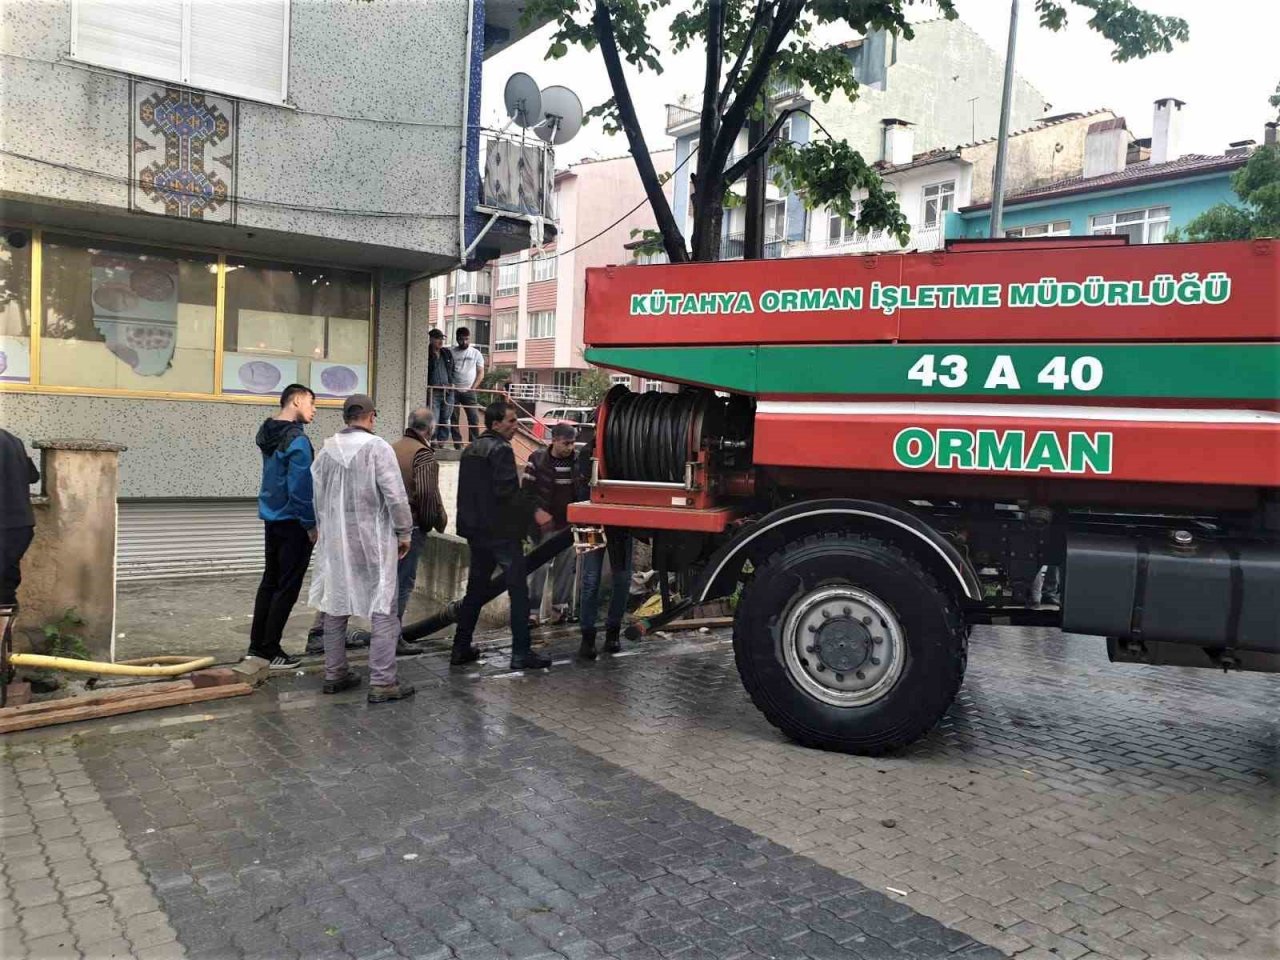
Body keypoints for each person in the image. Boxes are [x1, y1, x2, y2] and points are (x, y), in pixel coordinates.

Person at [309, 394, 417, 703]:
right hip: (374, 539)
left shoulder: (326, 451)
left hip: (336, 540)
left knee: (335, 602)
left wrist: (319, 529)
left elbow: (316, 494)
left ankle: (335, 673)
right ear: (371, 416)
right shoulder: (378, 448)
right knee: (383, 605)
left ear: (345, 417)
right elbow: (395, 495)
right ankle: (383, 680)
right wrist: (404, 531)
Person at [452, 400, 549, 671]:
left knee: (475, 590)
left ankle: (460, 647)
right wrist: (533, 513)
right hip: (501, 533)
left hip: (476, 532)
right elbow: (508, 493)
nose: (515, 428)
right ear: (496, 424)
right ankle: (521, 652)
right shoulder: (501, 450)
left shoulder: (471, 449)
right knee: (518, 591)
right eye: (511, 422)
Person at [247, 383, 317, 669]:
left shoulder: (268, 434)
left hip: (272, 518)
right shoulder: (296, 440)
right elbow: (300, 487)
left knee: (270, 583)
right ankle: (270, 649)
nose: (314, 411)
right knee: (287, 587)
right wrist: (311, 524)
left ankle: (257, 646)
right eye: (312, 404)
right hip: (293, 522)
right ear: (297, 400)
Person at [573, 425, 633, 659]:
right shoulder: (587, 455)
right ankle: (588, 637)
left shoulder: (623, 453)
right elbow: (580, 491)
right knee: (591, 579)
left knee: (621, 578)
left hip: (619, 523)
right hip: (593, 523)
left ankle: (611, 634)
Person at [391, 407, 448, 623]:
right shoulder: (423, 454)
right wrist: (427, 523)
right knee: (403, 583)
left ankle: (384, 634)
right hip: (411, 527)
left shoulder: (392, 448)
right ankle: (392, 636)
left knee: (389, 583)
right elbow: (426, 493)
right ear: (431, 428)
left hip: (388, 524)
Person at [525, 423, 578, 624]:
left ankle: (559, 610)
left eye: (573, 443)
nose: (570, 448)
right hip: (543, 526)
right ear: (554, 440)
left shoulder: (576, 461)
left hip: (568, 525)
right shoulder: (536, 459)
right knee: (539, 568)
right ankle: (532, 613)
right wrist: (537, 513)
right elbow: (526, 493)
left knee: (565, 569)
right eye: (566, 443)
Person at [1, 429, 39, 609]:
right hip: (20, 527)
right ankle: (5, 634)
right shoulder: (13, 440)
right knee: (5, 589)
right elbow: (33, 476)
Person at [448, 326, 485, 448]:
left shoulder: (476, 353)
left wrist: (473, 387)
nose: (464, 342)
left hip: (469, 391)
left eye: (466, 339)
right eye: (461, 339)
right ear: (457, 339)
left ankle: (474, 445)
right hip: (454, 390)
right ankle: (458, 444)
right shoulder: (451, 352)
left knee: (474, 418)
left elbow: (481, 372)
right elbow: (447, 370)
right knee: (454, 419)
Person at [427, 329, 455, 445]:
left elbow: (452, 369)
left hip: (447, 391)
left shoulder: (446, 353)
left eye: (442, 339)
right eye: (438, 338)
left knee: (446, 417)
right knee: (434, 417)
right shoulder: (427, 353)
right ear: (431, 339)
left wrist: (452, 382)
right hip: (434, 390)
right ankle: (432, 440)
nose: (440, 341)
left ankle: (442, 442)